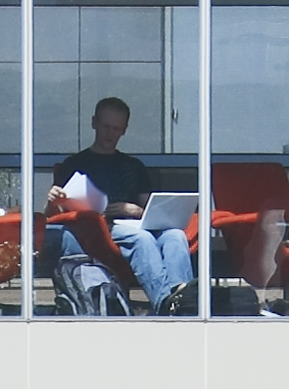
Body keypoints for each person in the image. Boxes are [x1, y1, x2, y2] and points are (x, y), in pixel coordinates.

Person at [44, 97, 192, 311]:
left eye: (117, 128)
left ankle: (185, 299)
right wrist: (52, 201)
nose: (110, 134)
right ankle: (166, 304)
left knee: (175, 235)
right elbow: (53, 216)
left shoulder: (133, 165)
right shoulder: (75, 164)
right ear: (94, 122)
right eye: (106, 126)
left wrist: (132, 210)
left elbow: (149, 209)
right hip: (99, 229)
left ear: (124, 130)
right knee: (142, 239)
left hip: (134, 223)